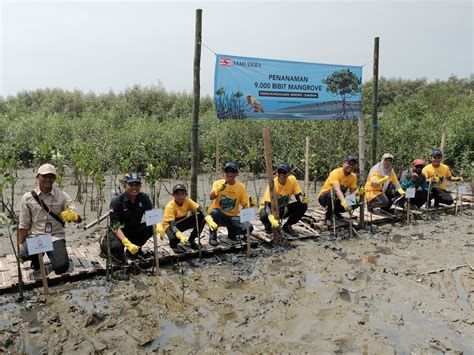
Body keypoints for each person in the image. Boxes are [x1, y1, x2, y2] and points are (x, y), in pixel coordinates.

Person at [18, 163, 82, 274]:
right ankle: (37, 260)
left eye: (51, 176)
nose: (48, 179)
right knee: (24, 254)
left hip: (55, 236)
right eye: (44, 176)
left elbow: (79, 219)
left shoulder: (63, 196)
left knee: (61, 267)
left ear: (55, 179)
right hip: (37, 236)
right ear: (37, 177)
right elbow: (24, 224)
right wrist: (21, 244)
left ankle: (50, 254)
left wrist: (73, 216)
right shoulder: (27, 198)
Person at [100, 172, 154, 261]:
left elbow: (151, 216)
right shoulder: (116, 202)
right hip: (119, 232)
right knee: (116, 249)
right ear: (125, 186)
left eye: (137, 184)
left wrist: (159, 225)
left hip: (134, 229)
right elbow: (115, 226)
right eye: (131, 184)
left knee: (152, 227)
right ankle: (106, 246)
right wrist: (126, 243)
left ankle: (135, 248)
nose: (134, 188)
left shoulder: (144, 198)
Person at [160, 183, 218, 251]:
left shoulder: (187, 201)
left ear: (186, 194)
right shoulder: (170, 206)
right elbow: (172, 225)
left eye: (182, 194)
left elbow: (200, 209)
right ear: (173, 195)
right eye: (177, 194)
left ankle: (191, 240)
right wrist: (180, 235)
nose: (180, 196)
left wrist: (209, 220)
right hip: (169, 226)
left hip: (181, 222)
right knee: (174, 240)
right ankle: (173, 244)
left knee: (201, 217)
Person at [208, 162, 253, 246]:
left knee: (249, 228)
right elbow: (211, 197)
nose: (229, 173)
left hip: (232, 216)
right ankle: (212, 237)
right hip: (219, 215)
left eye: (232, 171)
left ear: (237, 173)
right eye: (227, 171)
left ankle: (232, 234)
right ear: (224, 172)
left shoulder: (241, 187)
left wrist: (248, 214)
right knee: (214, 213)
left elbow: (245, 205)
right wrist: (217, 190)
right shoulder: (218, 183)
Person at [259, 162, 308, 237]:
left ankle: (287, 226)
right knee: (264, 214)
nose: (281, 174)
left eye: (284, 172)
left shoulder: (292, 180)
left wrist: (302, 199)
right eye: (279, 172)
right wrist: (271, 218)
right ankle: (267, 225)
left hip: (282, 209)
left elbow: (298, 195)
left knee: (303, 205)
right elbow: (267, 205)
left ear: (289, 173)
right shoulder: (273, 184)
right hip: (269, 209)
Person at [318, 155, 362, 226]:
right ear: (344, 163)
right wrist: (344, 202)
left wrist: (357, 193)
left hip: (338, 198)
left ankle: (335, 211)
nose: (350, 166)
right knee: (333, 195)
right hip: (325, 197)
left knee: (355, 201)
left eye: (353, 165)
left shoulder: (353, 176)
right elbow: (337, 190)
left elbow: (352, 193)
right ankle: (328, 217)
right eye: (349, 164)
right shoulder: (335, 172)